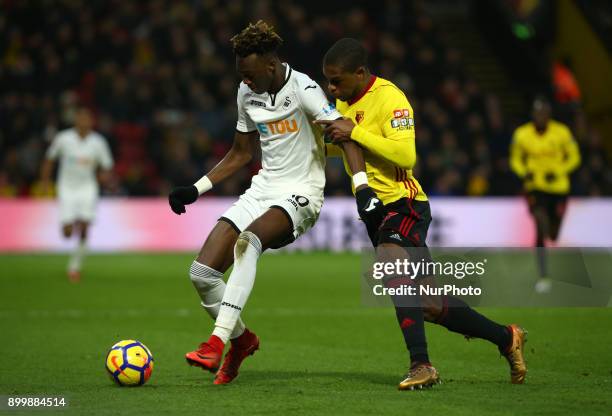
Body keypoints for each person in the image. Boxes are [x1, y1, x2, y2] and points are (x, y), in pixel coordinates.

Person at [317, 38, 527, 389]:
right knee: (429, 304)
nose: (331, 88)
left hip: (405, 204)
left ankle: (422, 365)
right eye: (328, 80)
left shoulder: (391, 99)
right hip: (375, 211)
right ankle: (506, 337)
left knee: (390, 266)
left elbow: (405, 156)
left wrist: (355, 131)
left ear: (360, 73)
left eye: (337, 80)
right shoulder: (344, 100)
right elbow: (351, 147)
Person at [167, 21, 367, 385]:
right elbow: (241, 153)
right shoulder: (247, 93)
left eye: (249, 74)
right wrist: (196, 189)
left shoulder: (304, 89)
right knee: (201, 274)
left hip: (302, 193)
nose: (245, 81)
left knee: (249, 241)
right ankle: (243, 341)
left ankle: (217, 341)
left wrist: (363, 187)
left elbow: (344, 133)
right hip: (263, 190)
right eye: (241, 75)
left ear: (271, 66)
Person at [510, 97, 581, 293]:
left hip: (558, 188)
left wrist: (560, 171)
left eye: (543, 113)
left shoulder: (562, 132)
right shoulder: (522, 134)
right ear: (532, 115)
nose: (540, 117)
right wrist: (524, 172)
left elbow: (574, 156)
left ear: (548, 115)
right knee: (540, 224)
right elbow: (515, 159)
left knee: (554, 233)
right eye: (536, 113)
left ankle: (553, 228)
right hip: (535, 187)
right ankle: (543, 275)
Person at [40, 106, 114, 282]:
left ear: (91, 121)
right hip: (66, 187)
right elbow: (50, 159)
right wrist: (44, 181)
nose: (84, 122)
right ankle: (69, 224)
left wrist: (105, 178)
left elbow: (107, 165)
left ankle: (74, 267)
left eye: (87, 118)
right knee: (67, 233)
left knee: (85, 226)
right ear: (76, 121)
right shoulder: (63, 138)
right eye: (81, 118)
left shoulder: (98, 141)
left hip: (88, 187)